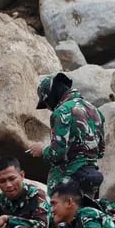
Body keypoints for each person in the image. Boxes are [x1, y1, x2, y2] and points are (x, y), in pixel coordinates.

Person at [28, 73, 106, 201]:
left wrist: (42, 150)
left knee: (64, 218)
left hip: (69, 179)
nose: (48, 108)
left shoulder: (62, 112)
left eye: (46, 103)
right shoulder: (95, 110)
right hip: (92, 175)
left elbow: (57, 152)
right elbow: (101, 150)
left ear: (51, 96)